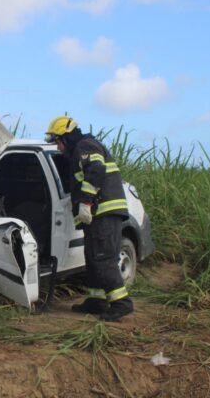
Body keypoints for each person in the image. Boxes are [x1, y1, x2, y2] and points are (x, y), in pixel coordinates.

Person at [44, 115, 133, 322]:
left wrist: (86, 202)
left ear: (66, 137)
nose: (58, 148)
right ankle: (96, 301)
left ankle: (121, 303)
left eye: (58, 142)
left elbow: (95, 171)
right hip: (99, 215)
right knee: (93, 259)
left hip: (103, 212)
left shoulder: (85, 146)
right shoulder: (81, 148)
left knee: (103, 259)